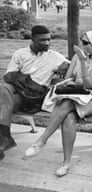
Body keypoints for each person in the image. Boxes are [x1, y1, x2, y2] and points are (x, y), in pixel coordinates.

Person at [24, 30, 92, 177]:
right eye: (81, 41)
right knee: (68, 117)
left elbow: (90, 86)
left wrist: (83, 63)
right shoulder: (77, 57)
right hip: (75, 96)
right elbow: (68, 77)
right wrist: (73, 78)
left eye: (85, 42)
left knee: (67, 104)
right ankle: (66, 163)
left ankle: (41, 141)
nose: (81, 44)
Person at [0, 25, 69, 154]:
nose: (47, 43)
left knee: (2, 98)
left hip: (35, 98)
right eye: (42, 40)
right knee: (3, 89)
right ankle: (4, 138)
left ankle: (4, 138)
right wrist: (24, 81)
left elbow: (71, 68)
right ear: (32, 39)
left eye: (49, 39)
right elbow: (9, 76)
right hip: (19, 96)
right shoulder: (20, 54)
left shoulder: (54, 57)